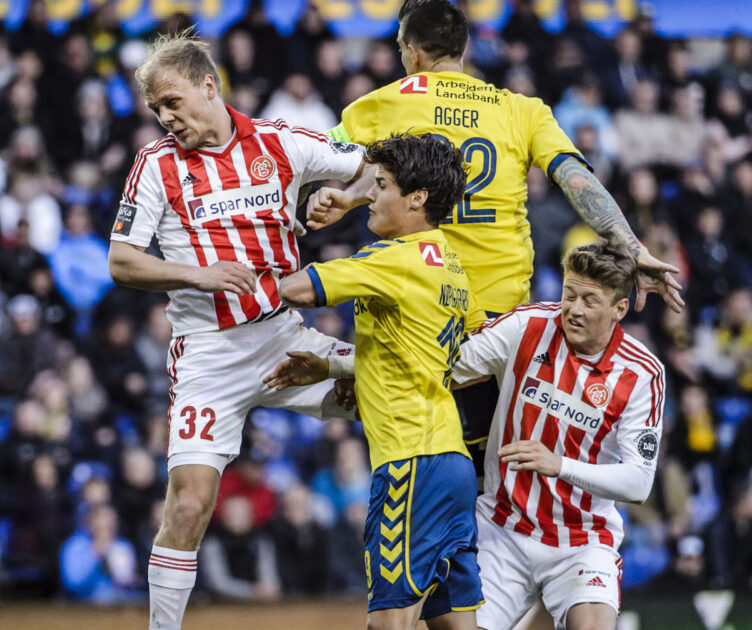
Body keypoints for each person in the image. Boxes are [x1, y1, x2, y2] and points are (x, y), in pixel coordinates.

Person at [315, 0, 682, 467]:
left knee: (415, 455)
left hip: (420, 306)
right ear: (464, 48)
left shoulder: (390, 100)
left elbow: (322, 155)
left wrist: (340, 196)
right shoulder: (520, 110)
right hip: (501, 315)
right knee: (494, 461)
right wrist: (632, 247)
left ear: (411, 53)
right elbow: (576, 179)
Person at [106, 31, 370, 630]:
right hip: (207, 355)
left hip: (285, 337)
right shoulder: (155, 165)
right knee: (192, 500)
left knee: (399, 395)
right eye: (156, 110)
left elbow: (372, 161)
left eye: (172, 102)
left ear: (209, 84)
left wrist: (348, 201)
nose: (166, 118)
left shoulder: (280, 143)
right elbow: (122, 261)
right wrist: (199, 275)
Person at [265, 133, 479, 630]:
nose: (371, 197)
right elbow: (414, 353)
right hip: (451, 462)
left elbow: (294, 289)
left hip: (409, 461)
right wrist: (338, 367)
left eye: (380, 185)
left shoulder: (394, 259)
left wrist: (212, 274)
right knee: (454, 623)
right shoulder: (450, 265)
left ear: (417, 197)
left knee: (387, 623)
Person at [449, 241, 664, 630]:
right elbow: (446, 367)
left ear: (619, 308)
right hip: (503, 527)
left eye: (589, 300)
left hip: (582, 541)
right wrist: (342, 369)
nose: (574, 309)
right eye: (569, 294)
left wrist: (558, 464)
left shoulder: (642, 374)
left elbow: (638, 482)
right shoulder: (528, 325)